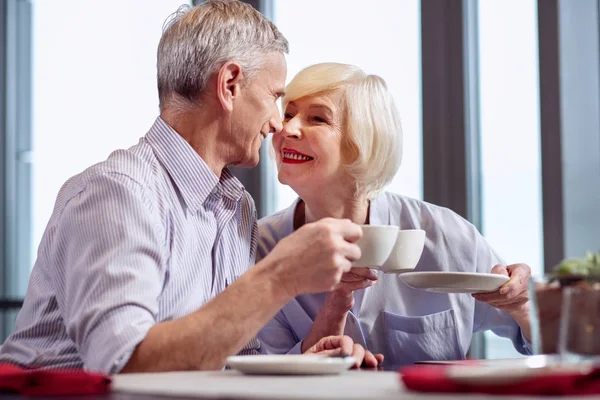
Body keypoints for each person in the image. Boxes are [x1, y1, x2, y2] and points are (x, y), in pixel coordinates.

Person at [0, 1, 375, 373]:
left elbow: (228, 366)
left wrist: (309, 354)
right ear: (229, 85)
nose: (277, 122)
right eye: (274, 97)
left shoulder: (237, 207)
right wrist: (279, 277)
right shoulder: (118, 194)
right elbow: (123, 368)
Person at [256, 62, 533, 367]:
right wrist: (335, 305)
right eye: (289, 114)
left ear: (363, 141)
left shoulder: (444, 235)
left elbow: (543, 339)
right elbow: (265, 379)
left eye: (317, 119)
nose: (288, 129)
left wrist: (522, 305)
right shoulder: (259, 249)